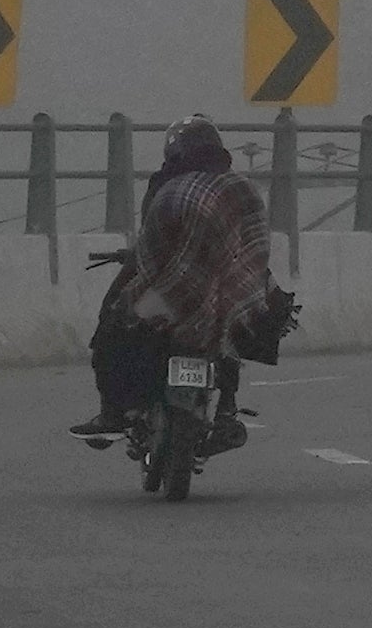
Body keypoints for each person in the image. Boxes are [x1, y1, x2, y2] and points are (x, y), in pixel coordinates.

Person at [88, 120, 273, 448]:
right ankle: (227, 407)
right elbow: (252, 241)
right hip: (228, 283)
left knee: (116, 318)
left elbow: (152, 242)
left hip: (172, 288)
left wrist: (151, 269)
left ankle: (112, 411)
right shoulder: (239, 186)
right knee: (237, 320)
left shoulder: (167, 185)